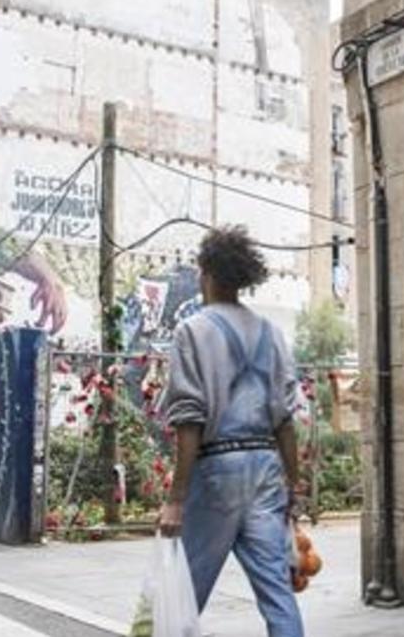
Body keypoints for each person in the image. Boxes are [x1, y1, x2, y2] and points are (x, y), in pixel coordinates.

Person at [158, 225, 304, 637]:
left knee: (184, 591)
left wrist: (176, 499)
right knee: (278, 595)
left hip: (218, 468)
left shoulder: (193, 330)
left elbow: (190, 420)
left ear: (206, 272)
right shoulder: (271, 334)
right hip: (265, 469)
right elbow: (285, 421)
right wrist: (293, 487)